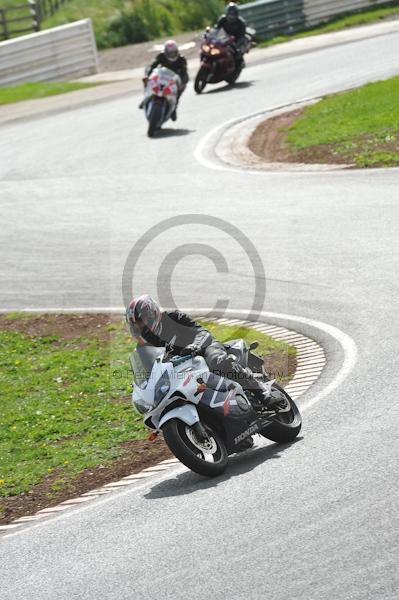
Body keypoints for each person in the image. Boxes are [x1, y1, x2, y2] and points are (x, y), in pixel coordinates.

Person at [126, 294, 273, 409]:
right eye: (136, 324)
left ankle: (259, 389)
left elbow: (202, 332)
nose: (140, 326)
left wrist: (195, 346)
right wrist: (144, 387)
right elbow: (152, 373)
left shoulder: (173, 317)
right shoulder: (143, 347)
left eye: (141, 320)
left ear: (152, 313)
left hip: (205, 349)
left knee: (217, 361)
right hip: (186, 369)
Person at [139, 40, 189, 121]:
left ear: (177, 51)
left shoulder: (181, 59)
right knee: (147, 81)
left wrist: (182, 83)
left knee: (180, 89)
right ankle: (145, 98)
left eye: (174, 53)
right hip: (161, 76)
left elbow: (184, 73)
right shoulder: (161, 56)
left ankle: (174, 106)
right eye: (170, 53)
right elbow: (152, 66)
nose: (172, 55)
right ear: (166, 52)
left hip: (174, 80)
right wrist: (147, 76)